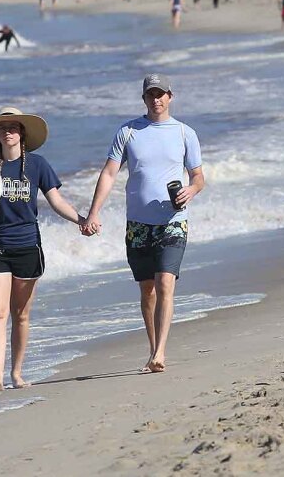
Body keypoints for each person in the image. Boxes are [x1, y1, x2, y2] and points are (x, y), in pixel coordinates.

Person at [82, 74, 205, 373]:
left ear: (170, 96)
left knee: (165, 283)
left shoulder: (185, 133)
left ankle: (160, 352)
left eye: (161, 94)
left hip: (173, 221)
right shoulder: (128, 131)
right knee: (147, 290)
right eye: (151, 95)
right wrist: (93, 212)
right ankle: (153, 348)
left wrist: (191, 189)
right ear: (144, 99)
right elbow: (109, 173)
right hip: (138, 223)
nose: (156, 99)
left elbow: (199, 177)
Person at [0, 107, 83, 390]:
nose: (8, 131)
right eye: (2, 127)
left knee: (21, 314)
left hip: (27, 246)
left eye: (13, 127)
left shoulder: (38, 165)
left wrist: (83, 220)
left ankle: (17, 373)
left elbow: (56, 201)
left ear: (22, 133)